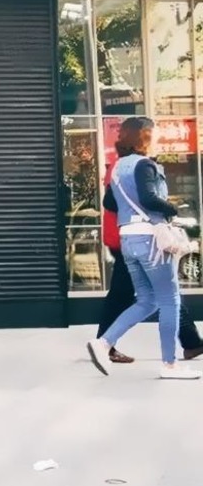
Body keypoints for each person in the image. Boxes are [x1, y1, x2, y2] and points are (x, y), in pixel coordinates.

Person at [90, 117, 200, 379]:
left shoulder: (118, 167)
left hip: (128, 239)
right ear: (144, 136)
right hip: (150, 239)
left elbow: (111, 202)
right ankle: (170, 365)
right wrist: (173, 208)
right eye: (154, 133)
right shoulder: (144, 165)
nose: (158, 137)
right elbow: (149, 199)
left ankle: (103, 343)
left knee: (148, 300)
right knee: (170, 300)